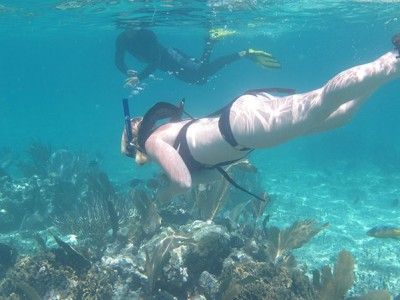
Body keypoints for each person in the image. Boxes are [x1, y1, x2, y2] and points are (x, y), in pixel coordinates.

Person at [121, 34, 400, 201]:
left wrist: (161, 198)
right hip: (243, 123)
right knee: (338, 116)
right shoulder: (166, 139)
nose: (138, 120)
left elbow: (182, 183)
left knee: (320, 102)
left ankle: (393, 58)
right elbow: (210, 176)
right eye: (133, 122)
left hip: (244, 128)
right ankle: (388, 70)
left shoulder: (155, 142)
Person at [115, 28, 280, 87]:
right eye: (127, 26)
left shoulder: (146, 34)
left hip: (172, 57)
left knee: (201, 72)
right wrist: (125, 70)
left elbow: (156, 60)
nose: (131, 28)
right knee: (200, 80)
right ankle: (210, 41)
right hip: (167, 66)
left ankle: (245, 53)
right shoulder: (121, 39)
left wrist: (140, 77)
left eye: (134, 25)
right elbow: (118, 59)